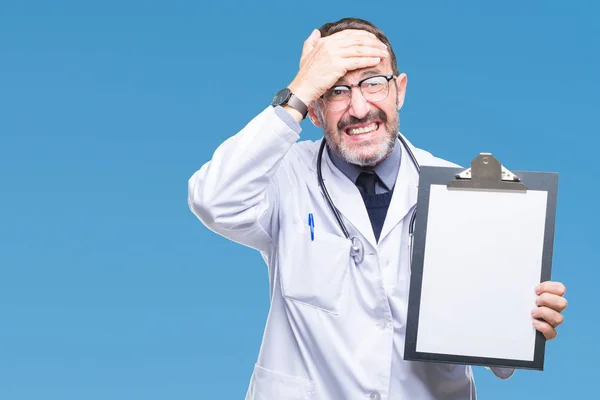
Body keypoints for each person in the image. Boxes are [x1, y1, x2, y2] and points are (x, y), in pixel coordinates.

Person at [188, 17, 568, 400]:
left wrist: (529, 316)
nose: (358, 108)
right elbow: (213, 200)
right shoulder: (282, 176)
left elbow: (500, 356)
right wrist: (300, 89)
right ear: (315, 110)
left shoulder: (463, 190)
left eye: (373, 82)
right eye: (336, 90)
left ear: (399, 91)